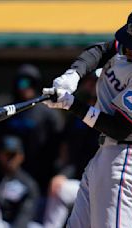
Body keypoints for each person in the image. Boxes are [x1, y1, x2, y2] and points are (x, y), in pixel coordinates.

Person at [42, 3, 132, 227]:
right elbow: (102, 50)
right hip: (108, 153)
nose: (128, 48)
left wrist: (72, 105)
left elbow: (118, 127)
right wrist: (73, 74)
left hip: (128, 156)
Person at [0, 64, 64, 195]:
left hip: (42, 175)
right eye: (22, 83)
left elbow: (59, 145)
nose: (26, 87)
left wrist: (58, 172)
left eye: (31, 83)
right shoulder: (9, 111)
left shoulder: (48, 112)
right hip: (12, 174)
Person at [43, 74, 100, 228]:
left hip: (101, 182)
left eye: (94, 82)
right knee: (58, 188)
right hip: (78, 180)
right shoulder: (76, 116)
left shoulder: (107, 114)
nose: (90, 86)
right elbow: (66, 150)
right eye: (89, 82)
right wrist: (63, 173)